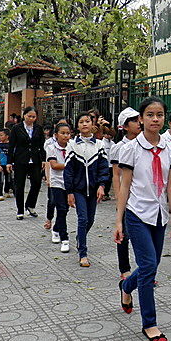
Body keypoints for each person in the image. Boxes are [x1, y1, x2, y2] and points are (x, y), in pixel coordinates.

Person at [114, 97, 171, 341]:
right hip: (137, 213)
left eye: (160, 114)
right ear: (140, 119)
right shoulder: (130, 149)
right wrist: (118, 221)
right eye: (150, 115)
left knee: (151, 266)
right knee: (149, 266)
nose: (155, 119)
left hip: (160, 214)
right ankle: (149, 323)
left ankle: (126, 287)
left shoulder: (170, 148)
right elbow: (124, 186)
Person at [64, 112, 110, 266]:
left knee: (90, 219)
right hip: (78, 189)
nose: (84, 124)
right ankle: (82, 253)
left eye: (87, 121)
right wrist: (69, 191)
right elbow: (68, 170)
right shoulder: (72, 145)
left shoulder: (99, 144)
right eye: (81, 122)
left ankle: (79, 237)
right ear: (77, 126)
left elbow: (104, 168)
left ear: (93, 124)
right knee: (82, 219)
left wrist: (102, 186)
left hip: (94, 188)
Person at [110, 107, 141, 280]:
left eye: (139, 120)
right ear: (125, 126)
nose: (139, 124)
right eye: (134, 121)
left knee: (141, 235)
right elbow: (116, 175)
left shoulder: (145, 143)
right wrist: (119, 198)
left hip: (141, 196)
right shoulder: (118, 148)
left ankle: (143, 270)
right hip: (125, 195)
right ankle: (125, 269)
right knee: (123, 234)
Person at [8, 106, 45, 220]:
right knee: (19, 185)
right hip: (20, 159)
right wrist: (9, 162)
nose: (31, 119)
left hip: (35, 159)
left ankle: (30, 205)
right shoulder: (16, 128)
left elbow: (41, 145)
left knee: (37, 182)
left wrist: (43, 159)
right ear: (24, 116)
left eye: (34, 117)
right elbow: (11, 146)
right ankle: (19, 210)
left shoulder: (38, 128)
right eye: (29, 116)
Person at [45, 123, 73, 253]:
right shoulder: (51, 148)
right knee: (61, 207)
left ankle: (56, 228)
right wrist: (70, 166)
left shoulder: (73, 146)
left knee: (65, 209)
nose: (66, 136)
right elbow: (54, 165)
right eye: (63, 133)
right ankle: (65, 238)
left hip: (69, 181)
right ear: (56, 135)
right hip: (57, 182)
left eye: (68, 133)